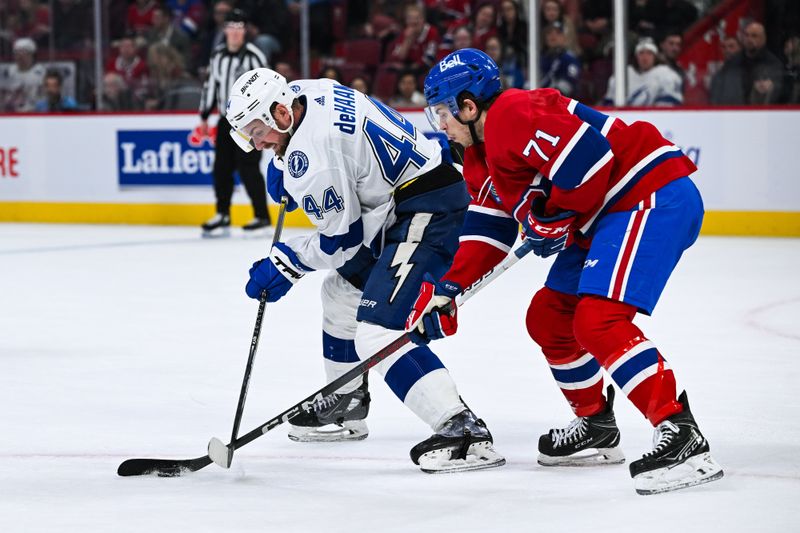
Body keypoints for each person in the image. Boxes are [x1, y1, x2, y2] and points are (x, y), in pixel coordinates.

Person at [409, 48, 724, 494]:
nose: (439, 123)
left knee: (598, 321)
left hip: (644, 194)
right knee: (549, 317)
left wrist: (552, 215)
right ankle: (596, 424)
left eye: (443, 111)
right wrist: (448, 289)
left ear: (469, 104)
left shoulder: (511, 113)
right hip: (601, 216)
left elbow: (591, 161)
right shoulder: (480, 156)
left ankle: (682, 433)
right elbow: (488, 232)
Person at [224, 67, 505, 473]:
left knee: (378, 329)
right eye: (249, 134)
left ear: (281, 113)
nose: (257, 142)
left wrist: (286, 264)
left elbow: (342, 241)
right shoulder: (302, 91)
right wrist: (282, 165)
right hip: (399, 202)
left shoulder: (313, 156)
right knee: (340, 295)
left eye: (258, 130)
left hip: (428, 208)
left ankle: (463, 431)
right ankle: (346, 402)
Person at [198, 8, 271, 236]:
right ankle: (223, 214)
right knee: (221, 168)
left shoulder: (254, 55)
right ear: (225, 29)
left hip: (249, 123)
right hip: (224, 120)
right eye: (231, 27)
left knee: (248, 167)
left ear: (245, 31)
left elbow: (267, 85)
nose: (235, 32)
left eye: (240, 28)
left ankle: (261, 216)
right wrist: (203, 115)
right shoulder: (218, 55)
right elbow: (211, 86)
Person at [709, 22, 783, 105]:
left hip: (760, 113)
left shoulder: (773, 63)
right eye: (746, 35)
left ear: (763, 39)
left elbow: (779, 90)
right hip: (733, 112)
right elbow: (718, 89)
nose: (749, 39)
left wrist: (770, 89)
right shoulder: (733, 62)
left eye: (754, 36)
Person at [603, 38, 683, 106]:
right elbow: (609, 103)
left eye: (649, 53)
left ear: (655, 56)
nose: (645, 57)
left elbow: (669, 106)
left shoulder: (667, 74)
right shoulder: (623, 74)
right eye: (641, 53)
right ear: (636, 56)